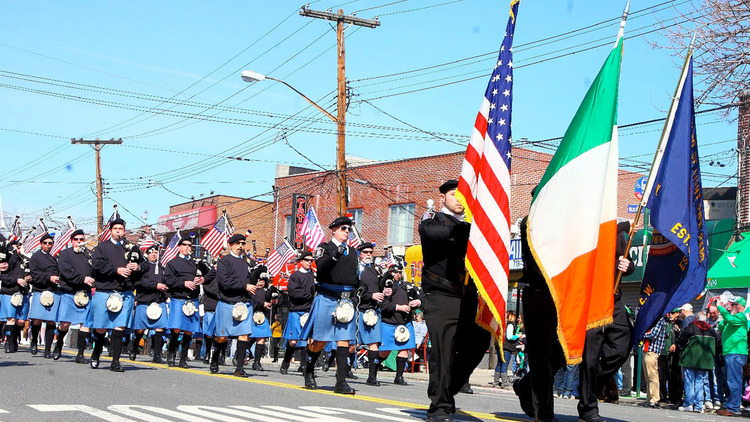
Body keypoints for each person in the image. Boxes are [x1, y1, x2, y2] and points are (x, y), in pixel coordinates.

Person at [419, 180, 491, 422]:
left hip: (467, 296)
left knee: (479, 340)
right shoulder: (432, 222)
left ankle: (446, 391)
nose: (459, 199)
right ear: (443, 198)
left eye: (463, 195)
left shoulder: (472, 227)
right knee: (443, 349)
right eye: (454, 194)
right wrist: (464, 230)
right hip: (440, 294)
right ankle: (438, 407)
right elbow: (434, 234)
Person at [576, 220, 635, 422]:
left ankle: (591, 382)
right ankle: (587, 408)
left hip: (613, 297)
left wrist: (627, 266)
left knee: (623, 344)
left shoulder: (617, 232)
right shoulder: (587, 224)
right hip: (591, 298)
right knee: (590, 356)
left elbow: (625, 260)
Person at [300, 215, 359, 395]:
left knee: (344, 341)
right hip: (327, 297)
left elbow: (354, 275)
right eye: (343, 228)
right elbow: (322, 268)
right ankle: (309, 369)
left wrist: (359, 289)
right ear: (333, 230)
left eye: (349, 229)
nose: (347, 232)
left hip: (345, 300)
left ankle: (340, 382)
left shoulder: (353, 252)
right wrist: (335, 256)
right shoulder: (324, 248)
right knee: (320, 340)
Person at [90, 218, 141, 371]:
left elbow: (144, 265)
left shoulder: (131, 248)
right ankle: (96, 352)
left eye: (121, 229)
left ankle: (115, 362)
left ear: (124, 231)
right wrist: (116, 270)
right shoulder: (102, 247)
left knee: (119, 327)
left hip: (124, 292)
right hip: (104, 291)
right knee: (101, 328)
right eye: (115, 228)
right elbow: (97, 266)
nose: (118, 231)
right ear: (111, 231)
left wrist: (137, 266)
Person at [211, 233, 256, 377]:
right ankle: (215, 359)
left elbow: (249, 282)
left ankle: (240, 368)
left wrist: (256, 285)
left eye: (243, 243)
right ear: (231, 245)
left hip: (243, 304)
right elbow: (224, 282)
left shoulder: (246, 263)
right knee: (222, 337)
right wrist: (245, 286)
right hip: (227, 302)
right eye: (238, 243)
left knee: (243, 335)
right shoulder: (224, 261)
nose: (241, 246)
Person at [55, 229, 94, 362]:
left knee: (86, 324)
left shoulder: (89, 255)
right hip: (69, 293)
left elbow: (96, 270)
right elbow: (66, 271)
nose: (79, 242)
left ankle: (81, 354)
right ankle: (59, 343)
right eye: (76, 240)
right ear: (71, 241)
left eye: (81, 240)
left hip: (85, 294)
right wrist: (82, 279)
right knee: (65, 324)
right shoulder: (65, 254)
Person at [164, 236, 203, 368]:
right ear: (179, 246)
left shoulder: (195, 263)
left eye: (190, 245)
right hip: (178, 298)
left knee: (189, 330)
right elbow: (168, 280)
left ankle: (183, 358)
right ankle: (171, 352)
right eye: (185, 245)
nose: (187, 247)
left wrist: (201, 280)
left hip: (192, 300)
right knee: (176, 328)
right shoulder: (172, 263)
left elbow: (210, 274)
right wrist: (183, 283)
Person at [378, 262, 420, 386]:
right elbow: (382, 304)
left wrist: (417, 301)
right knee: (385, 351)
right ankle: (373, 370)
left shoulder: (406, 285)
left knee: (404, 349)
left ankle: (399, 377)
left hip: (405, 322)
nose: (398, 274)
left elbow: (419, 295)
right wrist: (398, 307)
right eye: (395, 272)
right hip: (389, 322)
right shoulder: (384, 285)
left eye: (400, 272)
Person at [129, 245, 168, 363]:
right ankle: (134, 348)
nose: (154, 255)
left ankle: (157, 354)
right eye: (152, 252)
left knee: (160, 329)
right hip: (144, 300)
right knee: (140, 330)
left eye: (156, 252)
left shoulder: (162, 267)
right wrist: (155, 285)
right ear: (147, 254)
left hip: (158, 301)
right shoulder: (142, 267)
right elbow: (139, 281)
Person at [676, 311, 720, 413]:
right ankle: (699, 405)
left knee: (690, 382)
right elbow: (717, 345)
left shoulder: (691, 328)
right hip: (705, 361)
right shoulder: (711, 330)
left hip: (690, 359)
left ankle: (688, 404)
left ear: (696, 319)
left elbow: (681, 341)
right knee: (700, 383)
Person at [279, 251, 315, 375]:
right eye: (307, 260)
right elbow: (295, 293)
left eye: (311, 260)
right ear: (301, 261)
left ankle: (304, 366)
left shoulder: (313, 276)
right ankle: (286, 362)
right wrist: (310, 295)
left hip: (309, 312)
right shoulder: (295, 276)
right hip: (296, 310)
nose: (309, 262)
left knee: (307, 340)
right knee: (293, 341)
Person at [355, 242, 385, 386]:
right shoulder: (355, 269)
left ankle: (372, 376)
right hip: (358, 309)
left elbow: (380, 288)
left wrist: (384, 292)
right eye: (365, 252)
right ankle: (343, 370)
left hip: (373, 311)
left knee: (374, 343)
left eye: (371, 252)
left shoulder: (376, 270)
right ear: (359, 253)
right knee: (351, 344)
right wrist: (370, 296)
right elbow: (354, 291)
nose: (369, 254)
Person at [28, 233, 62, 359]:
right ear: (41, 244)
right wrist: (49, 278)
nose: (48, 245)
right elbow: (35, 275)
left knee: (51, 320)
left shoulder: (56, 257)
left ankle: (47, 349)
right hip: (40, 290)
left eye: (50, 243)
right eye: (45, 243)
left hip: (54, 292)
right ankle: (34, 341)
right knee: (36, 319)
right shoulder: (35, 257)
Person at [716, 296, 750, 417]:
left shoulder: (741, 317)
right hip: (731, 352)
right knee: (730, 380)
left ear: (739, 306)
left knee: (733, 381)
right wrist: (726, 318)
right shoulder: (732, 318)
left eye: (733, 305)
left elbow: (730, 320)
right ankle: (731, 405)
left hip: (736, 352)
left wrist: (720, 307)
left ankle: (734, 407)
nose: (731, 307)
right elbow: (720, 327)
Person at [0, 240, 30, 354]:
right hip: (9, 292)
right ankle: (9, 342)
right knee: (10, 318)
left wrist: (29, 277)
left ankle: (14, 339)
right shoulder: (5, 261)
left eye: (18, 247)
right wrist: (16, 280)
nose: (17, 249)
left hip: (23, 293)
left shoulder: (25, 260)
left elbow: (32, 272)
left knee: (21, 321)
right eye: (14, 247)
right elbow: (3, 277)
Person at [247, 267, 277, 371]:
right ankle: (240, 354)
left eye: (263, 281)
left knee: (261, 339)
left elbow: (273, 298)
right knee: (249, 338)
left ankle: (256, 362)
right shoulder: (251, 289)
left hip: (262, 317)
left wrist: (273, 301)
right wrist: (261, 304)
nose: (261, 282)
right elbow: (250, 301)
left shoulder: (266, 291)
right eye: (259, 280)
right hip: (252, 315)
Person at [641, 314, 670, 407]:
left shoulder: (659, 320)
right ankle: (649, 399)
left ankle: (654, 399)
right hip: (647, 349)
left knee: (653, 376)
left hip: (652, 351)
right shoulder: (654, 319)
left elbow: (653, 334)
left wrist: (641, 334)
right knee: (648, 376)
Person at [495, 311, 522, 388]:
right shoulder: (510, 324)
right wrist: (517, 336)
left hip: (499, 345)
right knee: (504, 364)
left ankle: (496, 381)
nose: (516, 319)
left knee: (499, 363)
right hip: (506, 346)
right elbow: (509, 337)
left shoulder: (503, 323)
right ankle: (504, 382)